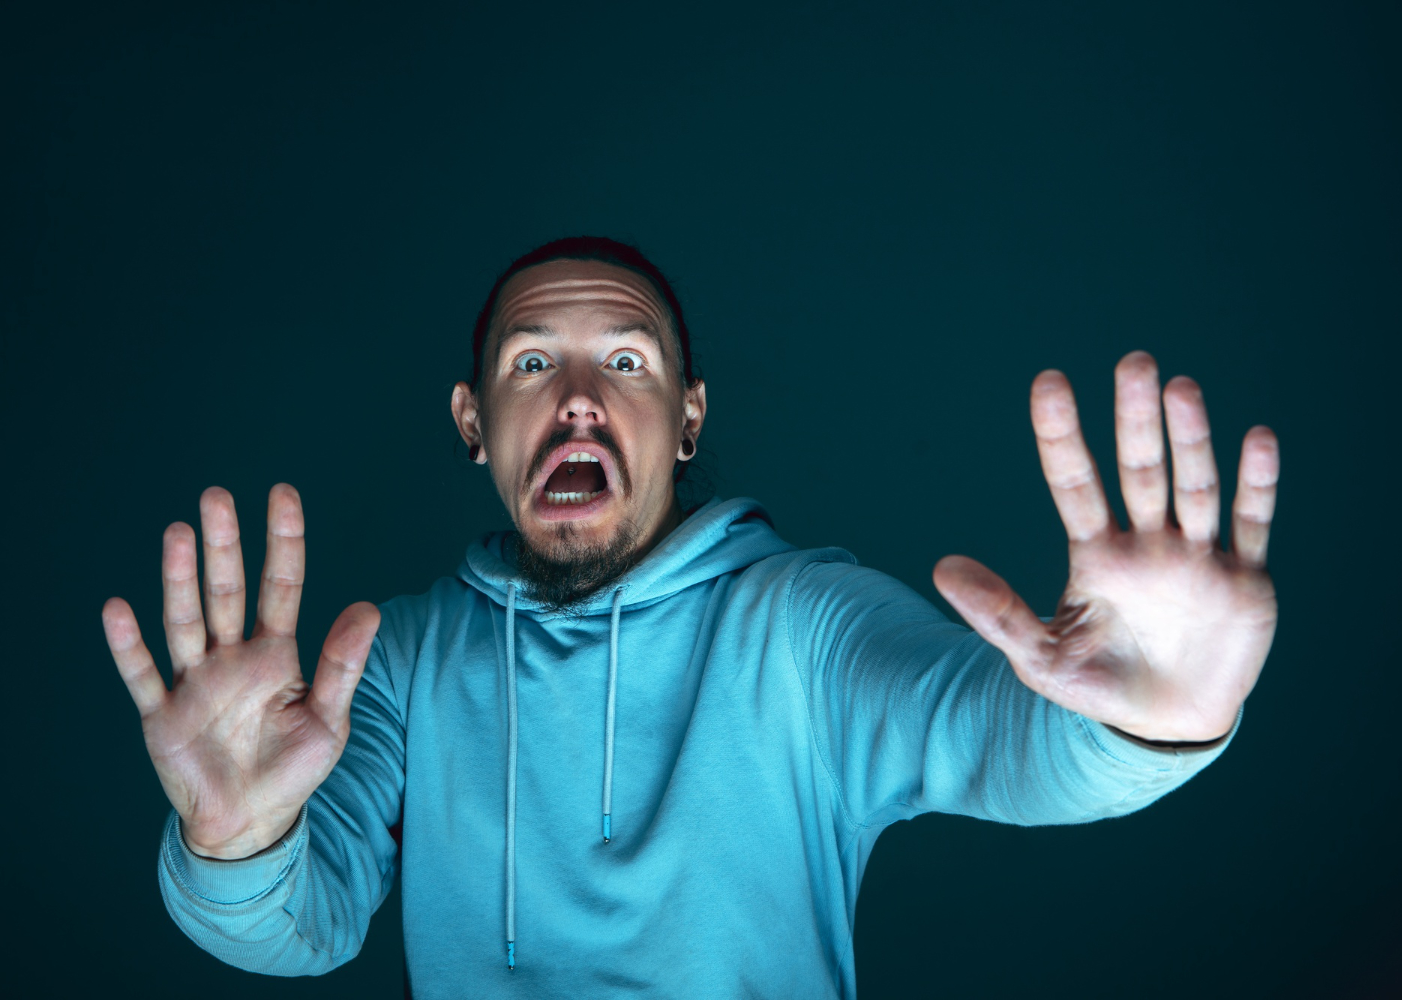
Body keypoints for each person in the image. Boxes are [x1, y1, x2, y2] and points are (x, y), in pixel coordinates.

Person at [102, 236, 1280, 998]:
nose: (575, 400)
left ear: (687, 419)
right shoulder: (408, 661)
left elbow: (1005, 740)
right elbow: (296, 925)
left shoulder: (798, 626)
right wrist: (235, 845)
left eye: (625, 360)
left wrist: (1155, 720)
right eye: (529, 366)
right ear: (473, 423)